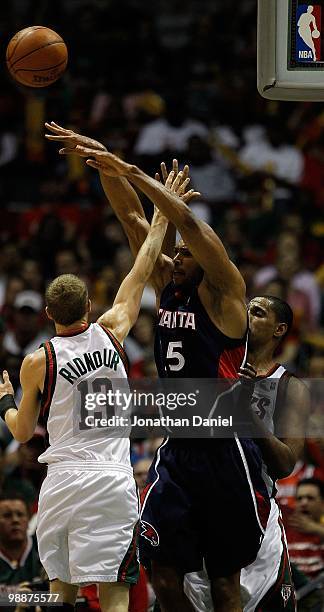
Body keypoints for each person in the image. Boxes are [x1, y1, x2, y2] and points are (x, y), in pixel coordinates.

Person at [44, 123, 272, 612]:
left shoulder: (226, 293)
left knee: (225, 583)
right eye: (178, 255)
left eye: (187, 255)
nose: (178, 256)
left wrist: (131, 170)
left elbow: (187, 225)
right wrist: (103, 159)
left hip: (223, 447)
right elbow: (131, 216)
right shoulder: (170, 283)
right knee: (163, 573)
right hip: (176, 449)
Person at [0, 200, 173, 612]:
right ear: (89, 307)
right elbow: (142, 266)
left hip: (60, 480)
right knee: (114, 593)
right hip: (110, 479)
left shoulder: (37, 361)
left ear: (47, 314)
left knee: (60, 595)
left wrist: (5, 399)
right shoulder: (112, 331)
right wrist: (163, 213)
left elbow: (22, 432)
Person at [183, 295, 310, 612]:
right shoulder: (212, 366)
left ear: (279, 329)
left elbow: (284, 464)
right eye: (246, 309)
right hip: (202, 510)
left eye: (258, 312)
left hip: (257, 512)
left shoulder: (289, 385)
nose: (247, 315)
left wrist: (247, 415)